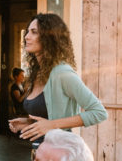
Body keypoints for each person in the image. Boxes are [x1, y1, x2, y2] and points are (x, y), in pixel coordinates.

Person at [9, 13, 107, 142]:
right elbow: (47, 118)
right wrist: (29, 122)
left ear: (50, 38)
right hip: (40, 153)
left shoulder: (62, 73)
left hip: (59, 153)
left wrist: (51, 125)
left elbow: (99, 113)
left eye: (34, 32)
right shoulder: (37, 73)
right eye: (27, 32)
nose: (27, 37)